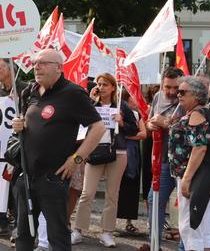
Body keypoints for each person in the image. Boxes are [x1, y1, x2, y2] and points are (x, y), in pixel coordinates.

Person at [12, 48, 105, 251]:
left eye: (43, 63)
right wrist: (18, 124)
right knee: (23, 234)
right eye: (36, 62)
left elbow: (98, 128)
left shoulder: (72, 93)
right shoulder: (30, 91)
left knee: (58, 237)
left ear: (59, 68)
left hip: (53, 178)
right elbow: (29, 125)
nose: (37, 66)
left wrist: (77, 159)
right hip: (26, 175)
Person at [72, 73, 139, 247]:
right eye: (99, 84)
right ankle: (78, 230)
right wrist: (91, 101)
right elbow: (79, 124)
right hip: (94, 153)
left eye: (105, 84)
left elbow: (134, 130)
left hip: (117, 153)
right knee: (87, 193)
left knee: (112, 195)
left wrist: (122, 123)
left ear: (113, 87)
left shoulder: (121, 107)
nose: (101, 87)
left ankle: (107, 232)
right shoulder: (90, 105)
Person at [168, 76, 210, 251]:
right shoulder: (205, 112)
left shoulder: (197, 114)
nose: (179, 95)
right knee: (203, 229)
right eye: (178, 92)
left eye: (183, 92)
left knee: (190, 228)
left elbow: (199, 148)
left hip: (196, 178)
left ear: (197, 96)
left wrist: (186, 179)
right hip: (208, 177)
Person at [0, 57, 28, 239]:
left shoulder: (25, 88)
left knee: (16, 187)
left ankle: (18, 227)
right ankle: (0, 223)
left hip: (16, 147)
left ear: (10, 69)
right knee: (0, 184)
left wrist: (19, 102)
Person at [141, 67, 185, 251]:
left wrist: (165, 123)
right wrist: (151, 124)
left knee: (185, 207)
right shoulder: (159, 96)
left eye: (176, 87)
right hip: (165, 160)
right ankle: (154, 244)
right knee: (154, 199)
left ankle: (186, 246)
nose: (172, 92)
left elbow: (190, 126)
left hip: (185, 162)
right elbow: (150, 122)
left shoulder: (188, 96)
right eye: (168, 87)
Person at [116, 89, 147, 235]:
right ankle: (111, 222)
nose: (138, 101)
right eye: (134, 97)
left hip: (133, 155)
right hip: (117, 154)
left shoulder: (136, 114)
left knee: (131, 187)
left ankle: (129, 222)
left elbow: (143, 133)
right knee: (116, 188)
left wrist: (127, 136)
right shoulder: (116, 112)